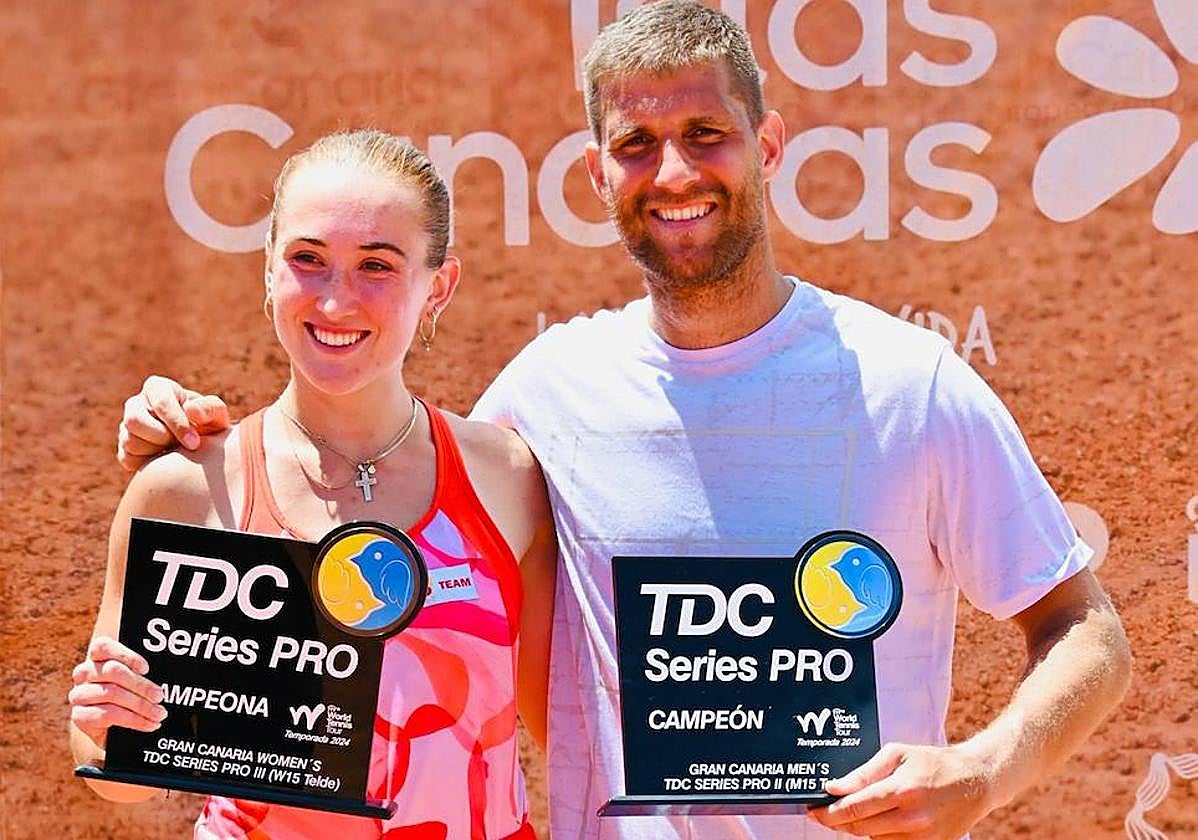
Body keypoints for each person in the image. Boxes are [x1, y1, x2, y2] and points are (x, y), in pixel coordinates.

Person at [114, 2, 1132, 839]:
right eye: (636, 144)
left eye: (705, 135)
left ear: (766, 146)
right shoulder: (546, 396)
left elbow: (1085, 631)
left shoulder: (910, 385)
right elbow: (373, 489)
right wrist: (193, 444)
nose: (675, 173)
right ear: (598, 174)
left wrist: (984, 769)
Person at [71, 129, 556, 839]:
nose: (335, 301)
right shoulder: (186, 489)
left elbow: (566, 725)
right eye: (308, 260)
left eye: (377, 266)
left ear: (438, 288)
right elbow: (113, 766)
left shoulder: (507, 479)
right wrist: (108, 720)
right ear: (267, 271)